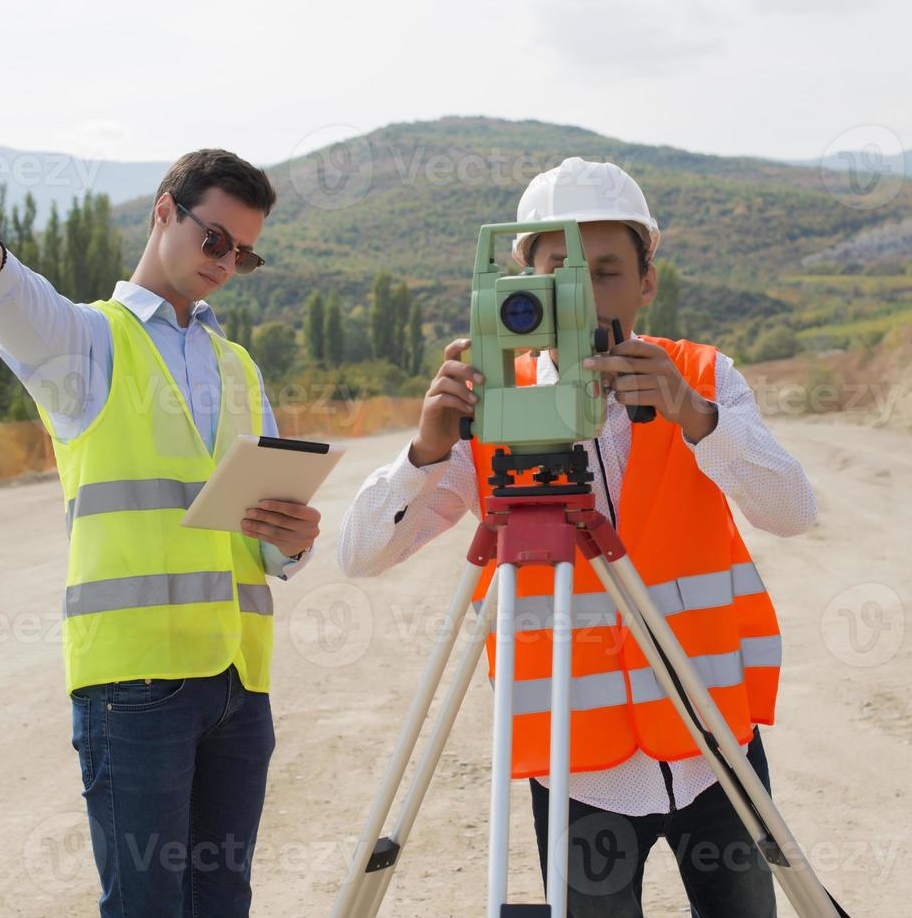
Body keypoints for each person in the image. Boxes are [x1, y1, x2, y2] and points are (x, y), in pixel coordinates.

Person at [336, 157, 817, 917]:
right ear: (521, 280)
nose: (584, 294)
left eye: (606, 271)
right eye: (561, 269)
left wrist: (697, 418)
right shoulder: (488, 405)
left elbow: (791, 509)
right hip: (580, 770)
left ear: (645, 282)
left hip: (713, 749)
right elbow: (359, 555)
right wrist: (425, 453)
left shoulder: (702, 376)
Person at [0, 149, 321, 918]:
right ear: (163, 213)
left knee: (222, 902)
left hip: (239, 685)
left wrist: (295, 537)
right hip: (136, 688)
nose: (225, 263)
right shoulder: (89, 344)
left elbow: (269, 543)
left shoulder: (238, 366)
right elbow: (25, 312)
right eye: (214, 240)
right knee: (146, 905)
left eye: (242, 254)